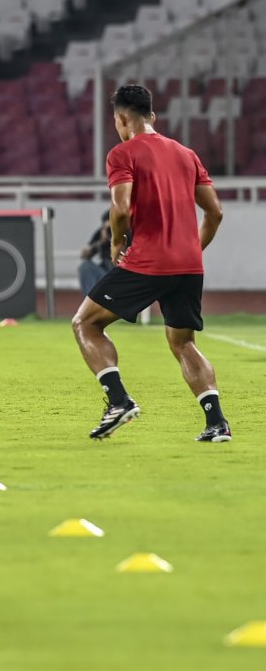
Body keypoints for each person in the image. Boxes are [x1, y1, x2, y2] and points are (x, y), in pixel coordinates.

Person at [71, 84, 229, 442]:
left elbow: (122, 208)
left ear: (121, 118)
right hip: (188, 265)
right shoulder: (187, 154)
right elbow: (215, 212)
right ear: (152, 117)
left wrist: (114, 243)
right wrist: (191, 249)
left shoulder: (122, 154)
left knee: (85, 323)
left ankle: (118, 401)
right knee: (182, 342)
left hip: (147, 260)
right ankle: (217, 423)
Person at [78, 211, 113, 294]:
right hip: (106, 274)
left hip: (123, 276)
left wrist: (117, 240)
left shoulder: (128, 232)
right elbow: (84, 255)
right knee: (85, 266)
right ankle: (91, 303)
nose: (111, 231)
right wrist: (101, 241)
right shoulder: (101, 234)